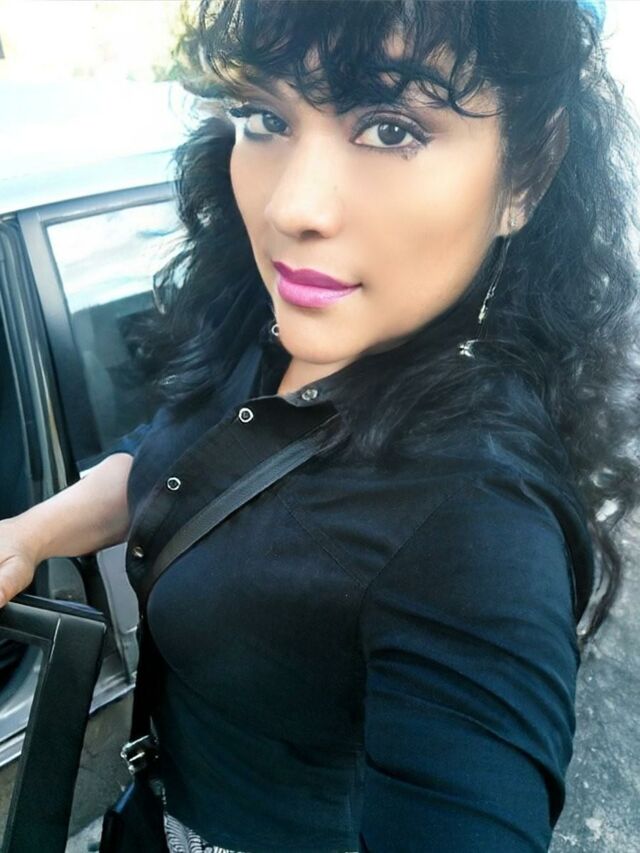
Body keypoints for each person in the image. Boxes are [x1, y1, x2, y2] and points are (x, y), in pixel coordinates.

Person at [1, 0, 639, 850]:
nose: (291, 207)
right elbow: (172, 463)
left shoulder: (479, 527)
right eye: (265, 117)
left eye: (390, 128)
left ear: (528, 170)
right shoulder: (272, 323)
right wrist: (27, 535)